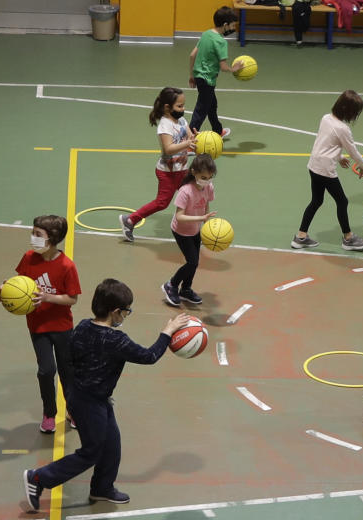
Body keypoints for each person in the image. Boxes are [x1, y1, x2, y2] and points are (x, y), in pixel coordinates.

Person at [22, 279, 189, 512]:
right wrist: (167, 332)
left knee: (112, 445)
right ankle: (39, 478)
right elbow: (149, 356)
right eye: (126, 311)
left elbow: (70, 359)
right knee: (91, 452)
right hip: (89, 402)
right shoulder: (116, 340)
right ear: (116, 312)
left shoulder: (81, 326)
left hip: (87, 396)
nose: (125, 315)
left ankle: (102, 487)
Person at [0, 216, 81, 434]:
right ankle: (49, 413)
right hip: (38, 327)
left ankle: (73, 410)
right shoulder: (28, 258)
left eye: (38, 234)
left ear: (52, 239)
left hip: (62, 327)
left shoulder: (66, 266)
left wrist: (46, 297)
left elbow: (72, 299)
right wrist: (5, 289)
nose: (33, 238)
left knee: (67, 372)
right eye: (33, 233)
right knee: (46, 371)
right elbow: (18, 283)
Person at [290, 90, 363, 251]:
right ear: (348, 111)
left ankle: (300, 237)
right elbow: (353, 151)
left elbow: (326, 143)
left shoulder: (326, 118)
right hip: (325, 170)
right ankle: (348, 238)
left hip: (314, 166)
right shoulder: (343, 129)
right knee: (342, 201)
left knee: (316, 201)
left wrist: (339, 156)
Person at [120, 87, 196, 242]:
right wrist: (188, 143)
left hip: (182, 170)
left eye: (183, 105)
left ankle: (189, 230)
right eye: (179, 106)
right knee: (162, 203)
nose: (183, 109)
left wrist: (197, 139)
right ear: (167, 107)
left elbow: (190, 138)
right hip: (168, 172)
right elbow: (168, 149)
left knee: (191, 196)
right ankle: (130, 220)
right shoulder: (165, 125)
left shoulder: (181, 120)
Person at [162, 154, 218, 307]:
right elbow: (179, 217)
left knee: (195, 262)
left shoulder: (208, 187)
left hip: (196, 229)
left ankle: (185, 289)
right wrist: (201, 218)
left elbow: (206, 204)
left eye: (210, 177)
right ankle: (171, 285)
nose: (207, 180)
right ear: (194, 172)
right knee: (192, 262)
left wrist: (206, 223)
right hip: (181, 231)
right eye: (203, 177)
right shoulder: (185, 191)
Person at [188, 6, 242, 140]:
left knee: (212, 105)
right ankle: (188, 141)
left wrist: (192, 76)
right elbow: (223, 67)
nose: (233, 28)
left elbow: (192, 55)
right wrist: (234, 69)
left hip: (199, 77)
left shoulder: (206, 34)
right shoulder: (221, 42)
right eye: (232, 25)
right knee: (201, 111)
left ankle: (218, 131)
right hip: (208, 80)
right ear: (225, 25)